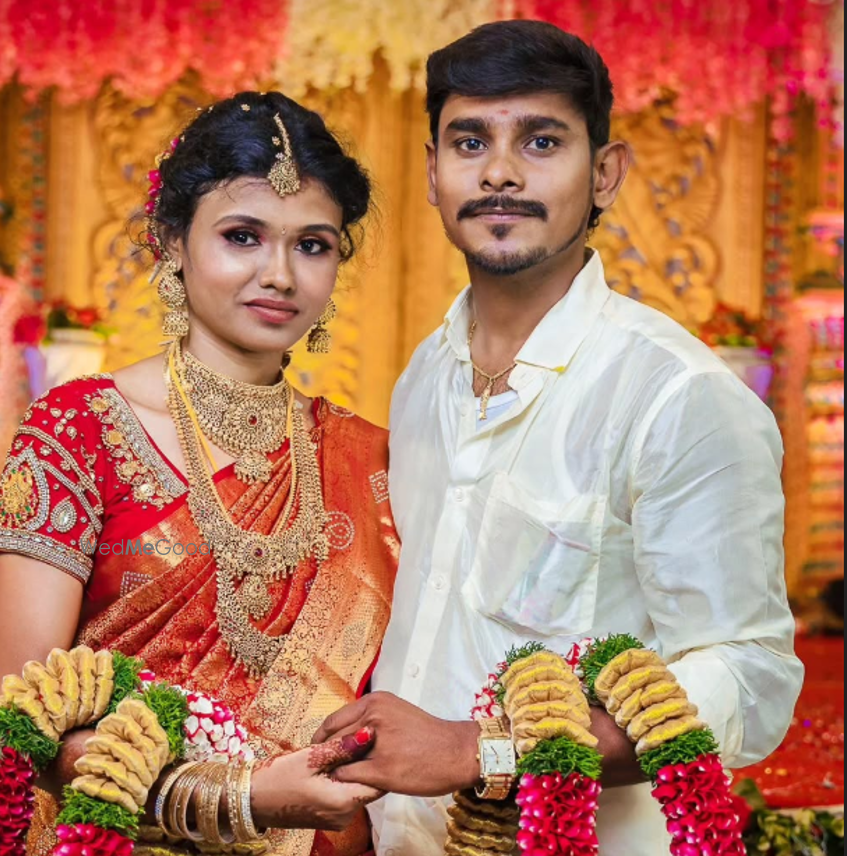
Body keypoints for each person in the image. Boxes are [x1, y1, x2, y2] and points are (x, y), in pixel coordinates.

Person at [313, 20, 805, 855]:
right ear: (432, 172)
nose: (499, 172)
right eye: (470, 141)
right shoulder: (425, 375)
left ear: (604, 173)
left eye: (540, 141)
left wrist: (482, 750)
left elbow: (748, 681)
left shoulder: (675, 397)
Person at [0, 91, 398, 856]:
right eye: (242, 236)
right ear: (172, 241)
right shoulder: (78, 431)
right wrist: (237, 798)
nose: (279, 274)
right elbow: (23, 716)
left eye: (312, 245)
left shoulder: (368, 457)